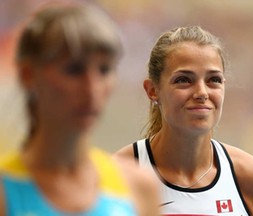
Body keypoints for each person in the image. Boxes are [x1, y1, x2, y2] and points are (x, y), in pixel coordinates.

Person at [0, 2, 159, 216]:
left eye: (104, 70)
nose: (91, 88)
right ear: (28, 75)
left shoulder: (138, 188)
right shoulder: (5, 190)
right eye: (73, 69)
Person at [115, 26, 253, 215]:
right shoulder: (118, 175)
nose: (202, 92)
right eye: (184, 80)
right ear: (152, 90)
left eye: (214, 80)